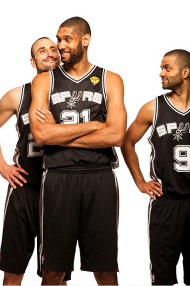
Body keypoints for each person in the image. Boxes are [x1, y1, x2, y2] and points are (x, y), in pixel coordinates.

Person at [29, 16, 127, 285]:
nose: (60, 45)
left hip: (100, 177)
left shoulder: (111, 80)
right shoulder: (44, 82)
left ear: (85, 40)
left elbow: (117, 135)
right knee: (52, 271)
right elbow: (41, 134)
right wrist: (96, 126)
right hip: (58, 178)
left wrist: (58, 136)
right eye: (58, 39)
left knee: (106, 270)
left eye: (67, 39)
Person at [0, 37, 71, 285]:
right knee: (13, 272)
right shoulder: (17, 95)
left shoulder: (75, 95)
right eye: (42, 50)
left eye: (53, 48)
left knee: (56, 274)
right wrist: (2, 165)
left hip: (60, 189)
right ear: (33, 61)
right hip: (25, 189)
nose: (50, 53)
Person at [121, 49, 190, 286]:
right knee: (162, 278)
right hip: (165, 203)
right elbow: (127, 142)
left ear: (185, 72)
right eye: (161, 68)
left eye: (167, 68)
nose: (161, 73)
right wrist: (140, 181)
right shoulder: (153, 108)